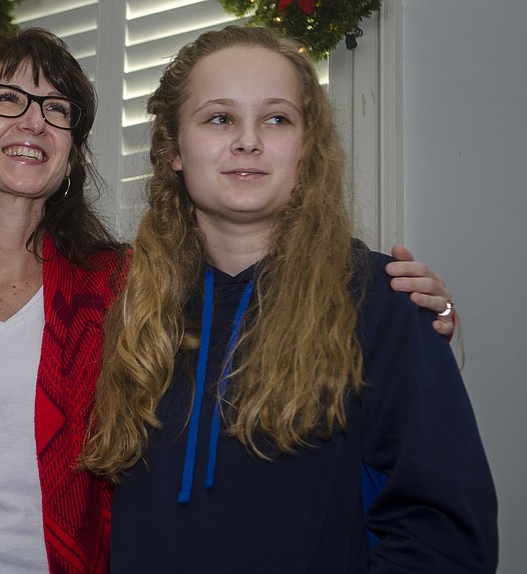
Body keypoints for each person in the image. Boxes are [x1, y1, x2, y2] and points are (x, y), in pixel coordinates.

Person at [0, 26, 460, 574]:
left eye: (57, 108)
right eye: (7, 99)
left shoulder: (126, 286)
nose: (35, 120)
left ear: (73, 154)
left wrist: (415, 315)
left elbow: (262, 307)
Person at [81, 25, 497, 573]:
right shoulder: (119, 303)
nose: (247, 140)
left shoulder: (383, 301)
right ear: (173, 149)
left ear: (308, 149)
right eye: (219, 118)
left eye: (276, 118)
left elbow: (443, 536)